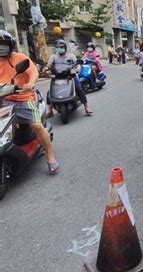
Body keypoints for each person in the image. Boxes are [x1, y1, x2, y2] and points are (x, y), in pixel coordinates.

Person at [0, 30, 60, 173]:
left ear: (10, 45)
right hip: (3, 100)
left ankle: (51, 157)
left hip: (23, 98)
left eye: (2, 44)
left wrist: (31, 83)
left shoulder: (19, 57)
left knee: (37, 126)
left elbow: (33, 72)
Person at [45, 39, 92, 117]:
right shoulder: (53, 56)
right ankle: (49, 110)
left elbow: (77, 64)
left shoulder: (71, 56)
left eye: (61, 47)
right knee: (49, 92)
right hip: (58, 77)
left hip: (70, 76)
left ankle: (86, 107)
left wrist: (77, 69)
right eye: (57, 47)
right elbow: (49, 65)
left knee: (79, 89)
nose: (59, 48)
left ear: (65, 48)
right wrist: (46, 69)